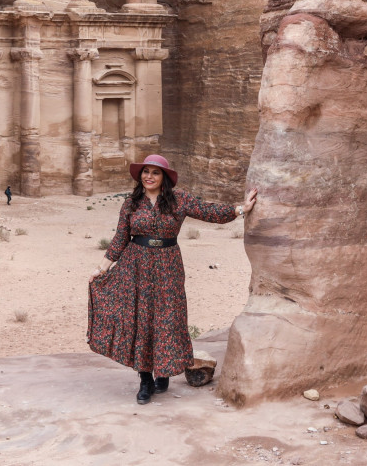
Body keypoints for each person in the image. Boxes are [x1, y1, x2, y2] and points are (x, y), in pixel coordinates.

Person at [87, 154, 256, 405]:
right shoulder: (131, 204)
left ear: (164, 177)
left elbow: (208, 211)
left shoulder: (179, 200)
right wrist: (101, 269)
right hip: (136, 266)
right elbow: (120, 238)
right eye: (145, 172)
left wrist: (241, 208)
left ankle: (162, 372)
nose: (149, 177)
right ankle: (145, 380)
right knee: (141, 320)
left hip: (168, 266)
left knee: (167, 318)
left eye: (155, 173)